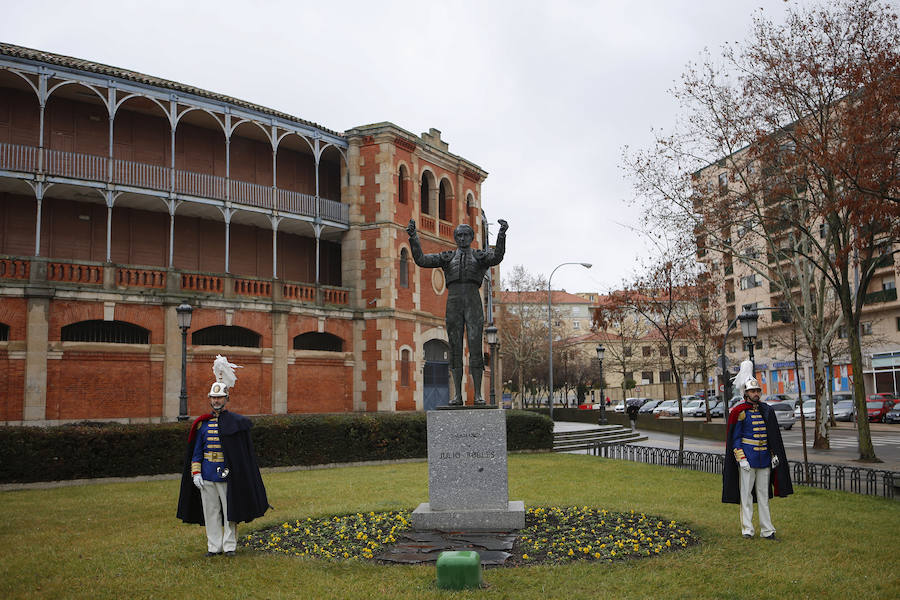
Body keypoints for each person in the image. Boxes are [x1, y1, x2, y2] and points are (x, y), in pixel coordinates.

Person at [407, 219, 507, 405]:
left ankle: (478, 395)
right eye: (459, 235)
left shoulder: (479, 256)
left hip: (473, 302)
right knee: (454, 349)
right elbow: (421, 260)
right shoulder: (447, 257)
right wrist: (413, 237)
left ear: (471, 237)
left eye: (465, 235)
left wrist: (501, 234)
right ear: (455, 238)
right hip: (453, 302)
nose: (462, 238)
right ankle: (457, 396)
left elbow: (497, 257)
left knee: (475, 348)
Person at [177, 355, 270, 556]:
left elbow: (240, 455)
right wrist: (196, 473)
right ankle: (214, 547)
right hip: (207, 474)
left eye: (219, 398)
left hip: (227, 475)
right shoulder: (202, 424)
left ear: (226, 399)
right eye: (213, 398)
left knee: (230, 513)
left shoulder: (236, 423)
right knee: (211, 513)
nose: (216, 401)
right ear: (210, 399)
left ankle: (229, 546)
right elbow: (197, 451)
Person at [722, 360, 793, 539]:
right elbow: (735, 439)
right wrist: (741, 458)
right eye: (752, 391)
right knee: (746, 496)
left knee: (764, 496)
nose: (756, 394)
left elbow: (770, 436)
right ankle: (747, 529)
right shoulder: (739, 411)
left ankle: (767, 530)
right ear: (745, 393)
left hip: (764, 459)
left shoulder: (765, 410)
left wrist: (773, 454)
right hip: (748, 459)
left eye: (758, 391)